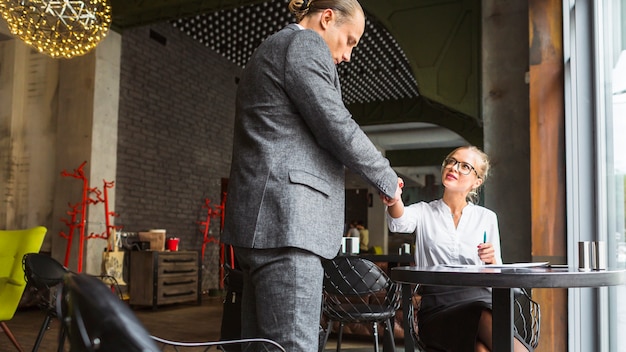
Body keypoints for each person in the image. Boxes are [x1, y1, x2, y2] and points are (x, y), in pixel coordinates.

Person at [221, 0, 401, 351]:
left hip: (265, 222)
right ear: (327, 17)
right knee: (294, 345)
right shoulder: (303, 44)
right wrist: (387, 178)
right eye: (349, 40)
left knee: (262, 346)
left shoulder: (273, 47)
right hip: (288, 223)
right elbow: (335, 124)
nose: (349, 55)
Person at [382, 146, 532, 352]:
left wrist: (492, 260)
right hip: (437, 306)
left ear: (476, 182)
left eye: (465, 166)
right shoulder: (424, 212)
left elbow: (497, 271)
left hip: (479, 297)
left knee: (481, 342)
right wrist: (395, 199)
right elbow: (398, 222)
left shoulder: (486, 217)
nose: (454, 167)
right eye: (451, 161)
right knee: (482, 330)